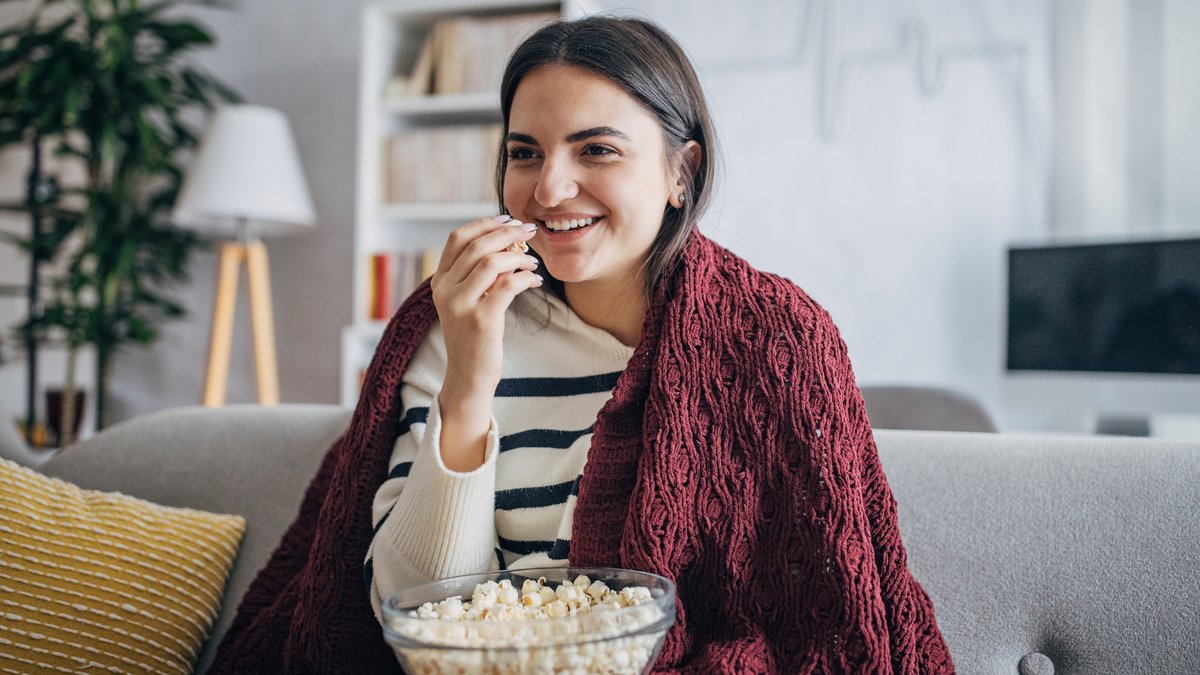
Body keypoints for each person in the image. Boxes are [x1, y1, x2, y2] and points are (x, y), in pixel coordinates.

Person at [210, 17, 954, 674]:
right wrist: (470, 373)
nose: (549, 188)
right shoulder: (451, 324)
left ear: (679, 171)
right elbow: (412, 610)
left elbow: (826, 619)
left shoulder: (778, 338)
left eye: (595, 150)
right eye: (524, 153)